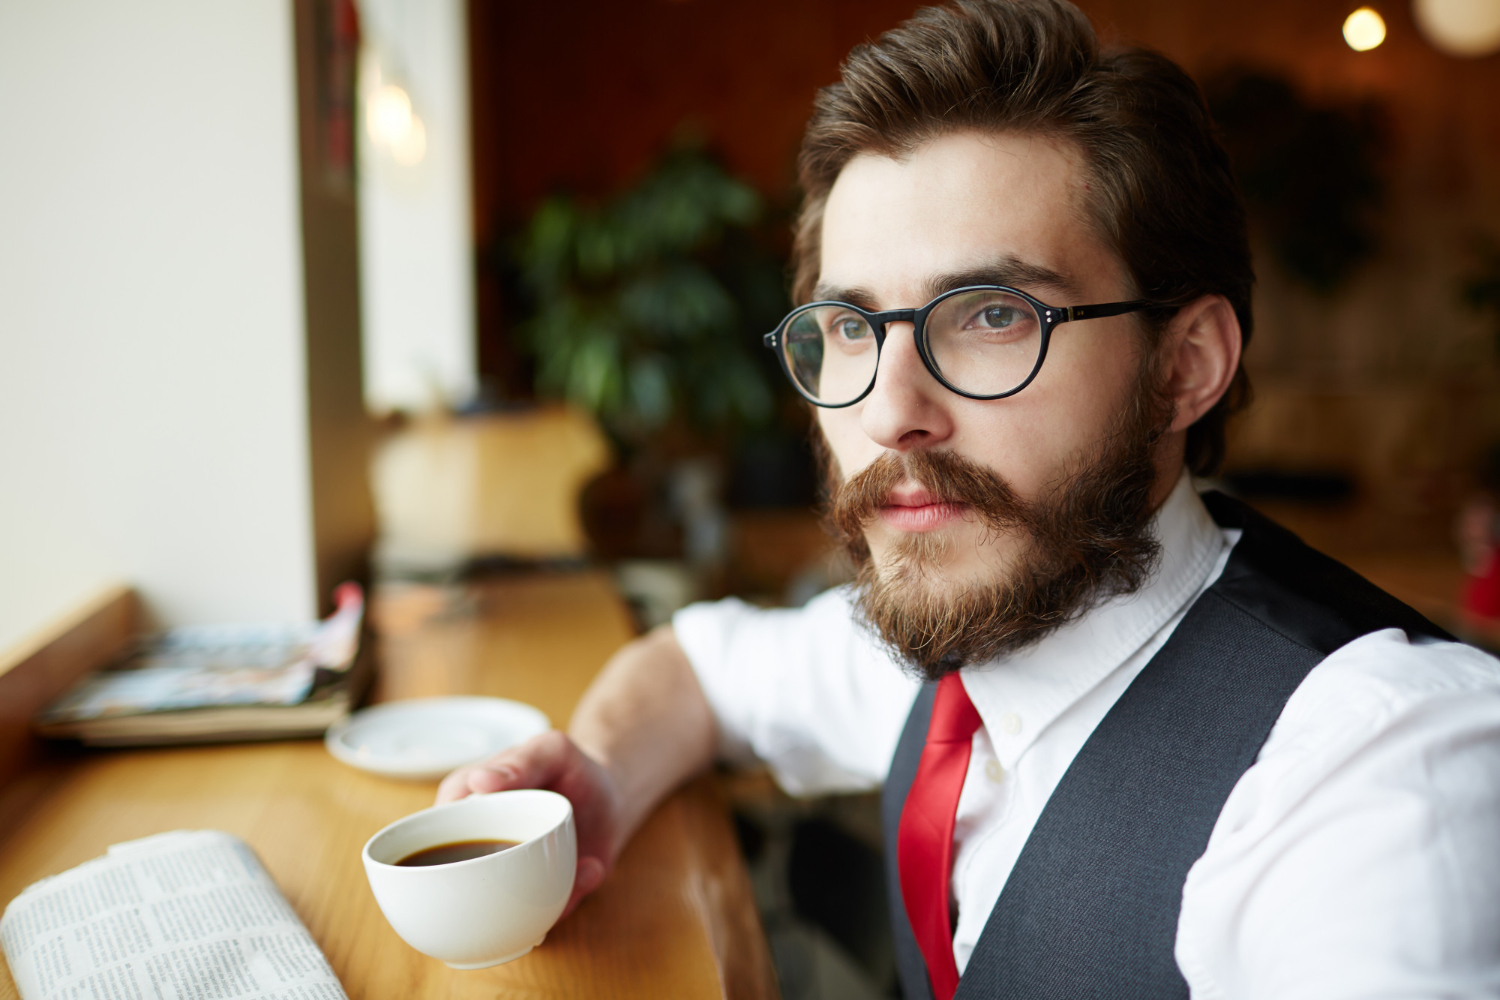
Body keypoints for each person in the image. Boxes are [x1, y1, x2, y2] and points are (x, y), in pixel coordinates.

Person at [439, 1, 1500, 996]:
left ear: (1184, 366)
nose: (892, 412)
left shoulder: (1384, 778)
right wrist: (601, 779)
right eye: (853, 328)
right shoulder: (958, 619)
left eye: (991, 315)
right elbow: (698, 668)